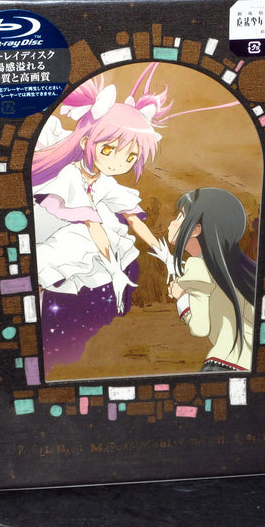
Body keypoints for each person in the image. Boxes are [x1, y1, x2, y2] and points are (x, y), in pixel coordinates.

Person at [32, 64, 175, 377]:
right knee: (49, 270)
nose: (119, 162)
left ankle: (43, 344)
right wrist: (114, 270)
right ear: (86, 142)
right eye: (109, 149)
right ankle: (35, 343)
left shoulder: (104, 182)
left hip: (81, 240)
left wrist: (163, 252)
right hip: (55, 232)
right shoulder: (70, 176)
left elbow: (133, 219)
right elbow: (92, 225)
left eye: (130, 157)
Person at [166, 188, 257, 372]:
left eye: (180, 217)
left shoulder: (198, 266)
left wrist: (181, 297)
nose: (171, 224)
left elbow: (200, 327)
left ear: (195, 229)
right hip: (250, 365)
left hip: (225, 363)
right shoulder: (240, 269)